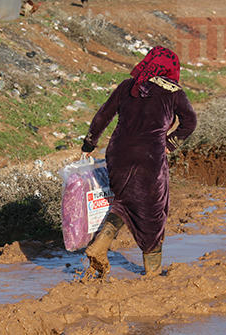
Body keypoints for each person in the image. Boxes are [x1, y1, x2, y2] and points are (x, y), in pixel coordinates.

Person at [81, 45, 196, 278]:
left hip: (118, 155)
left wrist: (89, 145)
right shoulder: (174, 92)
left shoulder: (128, 86)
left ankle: (100, 245)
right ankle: (153, 275)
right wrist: (170, 143)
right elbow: (190, 121)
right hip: (149, 159)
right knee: (154, 213)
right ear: (172, 68)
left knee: (124, 201)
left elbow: (103, 115)